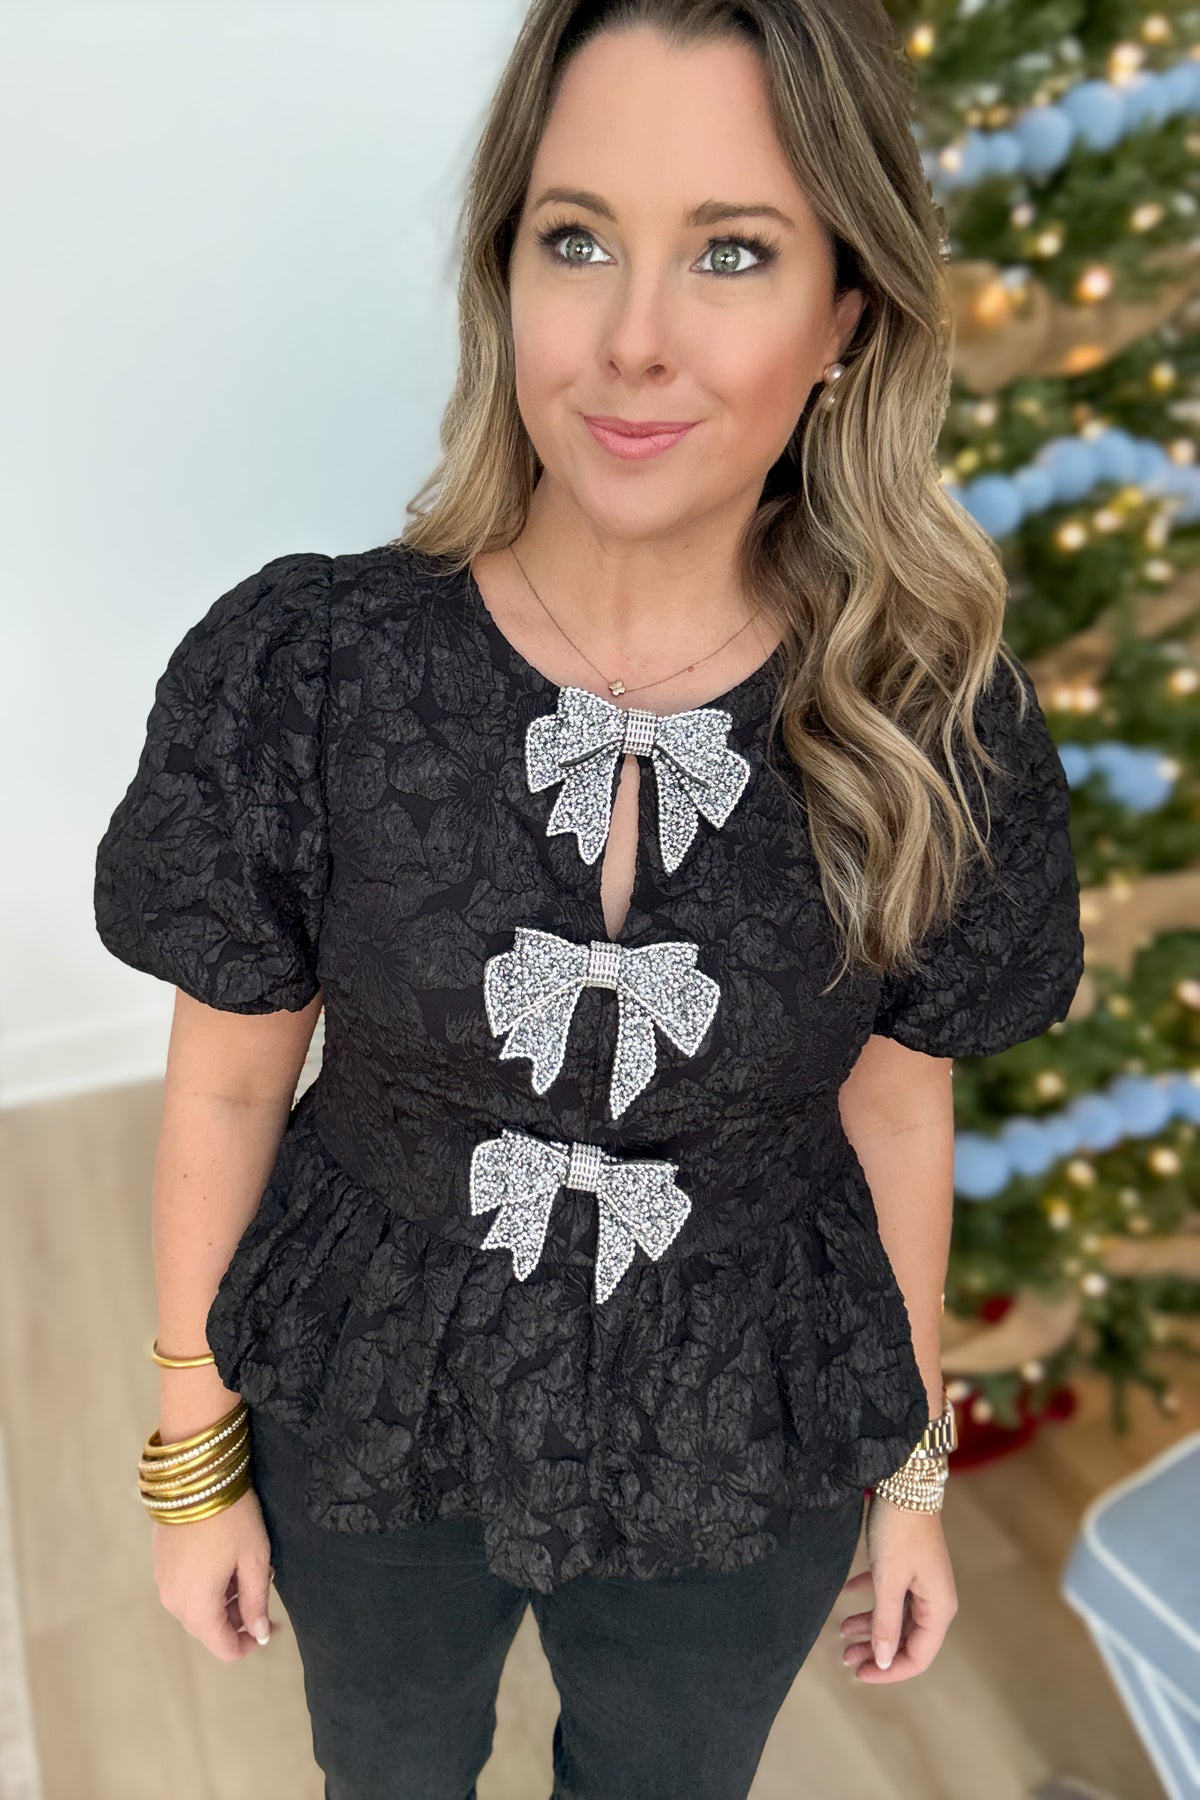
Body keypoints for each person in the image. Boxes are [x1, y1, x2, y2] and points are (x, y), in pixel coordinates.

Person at [94, 1, 1086, 1796]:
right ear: (506, 276)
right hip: (370, 1395)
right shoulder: (312, 668)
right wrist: (192, 1459)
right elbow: (231, 1085)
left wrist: (911, 1478)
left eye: (733, 251)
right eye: (577, 238)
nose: (634, 339)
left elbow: (897, 1112)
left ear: (847, 318)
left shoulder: (931, 724)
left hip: (745, 1424)